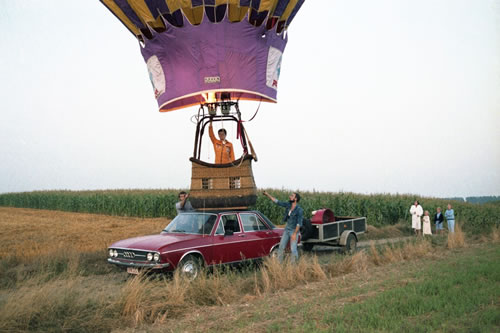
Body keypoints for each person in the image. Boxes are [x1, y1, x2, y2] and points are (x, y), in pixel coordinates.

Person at [263, 191, 303, 263]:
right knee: (281, 247)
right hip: (287, 229)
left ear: (296, 199)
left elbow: (299, 223)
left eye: (292, 196)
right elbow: (277, 202)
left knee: (293, 249)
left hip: (294, 231)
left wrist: (294, 233)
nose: (290, 196)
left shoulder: (299, 210)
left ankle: (294, 267)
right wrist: (267, 194)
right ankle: (279, 264)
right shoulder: (288, 205)